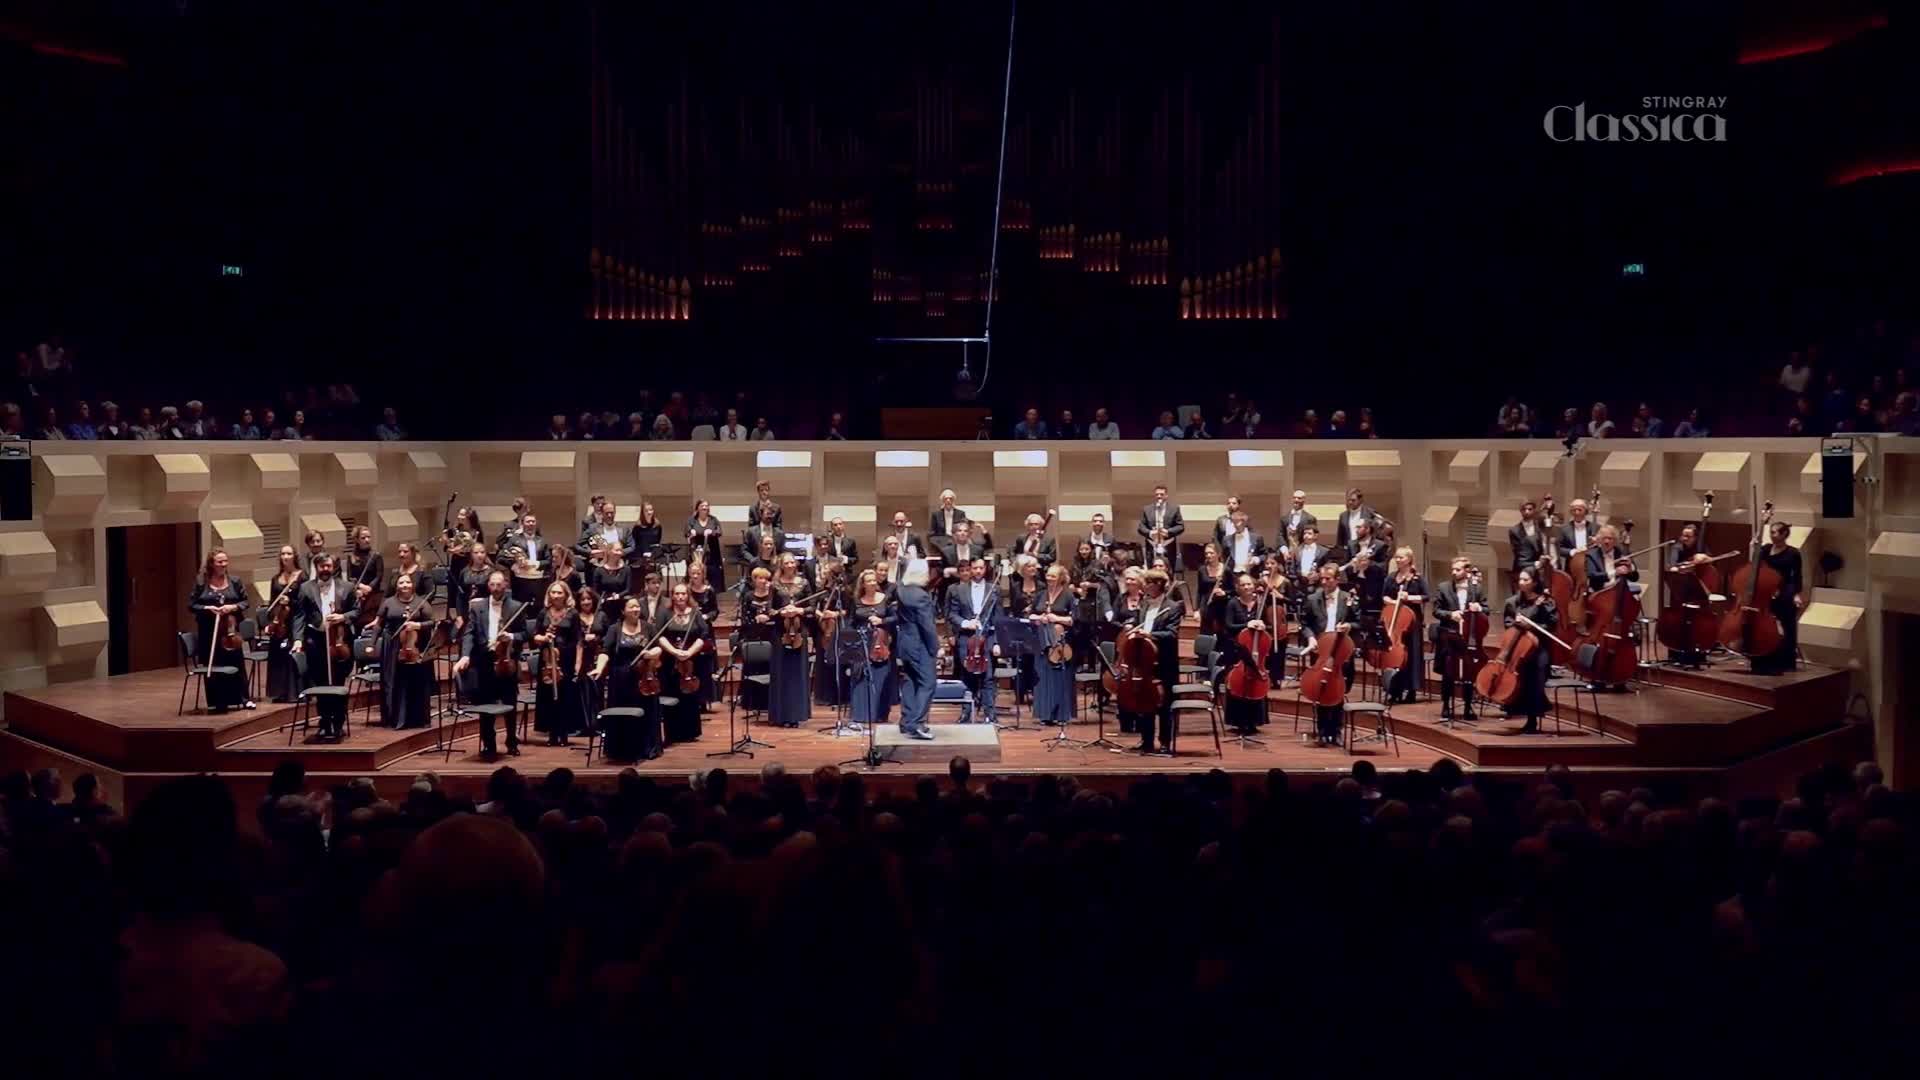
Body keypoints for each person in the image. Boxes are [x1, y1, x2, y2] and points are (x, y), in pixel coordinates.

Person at [454, 569, 527, 758]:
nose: (495, 588)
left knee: (510, 705)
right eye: (492, 584)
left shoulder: (516, 607)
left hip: (506, 662)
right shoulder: (478, 608)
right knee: (486, 707)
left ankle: (512, 741)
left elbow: (525, 634)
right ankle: (489, 745)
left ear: (505, 585)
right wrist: (465, 655)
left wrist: (510, 636)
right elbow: (469, 633)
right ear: (488, 586)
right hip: (484, 663)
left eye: (499, 584)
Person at [290, 553, 352, 740]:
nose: (325, 569)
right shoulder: (306, 588)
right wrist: (298, 639)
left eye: (328, 566)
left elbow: (356, 611)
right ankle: (324, 723)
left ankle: (339, 723)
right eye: (322, 566)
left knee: (339, 682)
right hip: (316, 641)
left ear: (334, 567)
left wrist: (343, 617)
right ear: (316, 567)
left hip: (340, 641)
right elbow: (299, 616)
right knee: (321, 683)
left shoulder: (347, 587)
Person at [1120, 568, 1183, 752]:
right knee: (1144, 700)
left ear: (1158, 585)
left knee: (1165, 703)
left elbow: (1171, 634)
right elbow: (1138, 622)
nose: (1144, 586)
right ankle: (1146, 740)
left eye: (1148, 583)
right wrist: (1131, 626)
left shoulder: (1173, 606)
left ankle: (1165, 742)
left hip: (1163, 660)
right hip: (1143, 660)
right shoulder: (1145, 604)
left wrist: (1150, 634)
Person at [596, 596, 662, 760]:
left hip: (645, 677)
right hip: (621, 679)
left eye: (637, 607)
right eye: (631, 607)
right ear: (623, 611)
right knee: (623, 713)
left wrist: (650, 653)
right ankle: (622, 749)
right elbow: (605, 651)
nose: (636, 609)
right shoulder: (614, 629)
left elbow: (658, 649)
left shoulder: (649, 627)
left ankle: (647, 748)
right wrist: (599, 667)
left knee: (647, 711)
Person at [187, 550, 252, 713]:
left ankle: (243, 698)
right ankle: (217, 701)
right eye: (219, 562)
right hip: (208, 632)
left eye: (225, 561)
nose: (223, 565)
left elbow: (245, 602)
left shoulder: (235, 581)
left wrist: (232, 607)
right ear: (211, 564)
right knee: (214, 664)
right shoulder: (202, 582)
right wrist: (207, 608)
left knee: (236, 662)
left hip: (230, 630)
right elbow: (192, 605)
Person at [1299, 564, 1356, 746]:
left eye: (1328, 579)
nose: (1324, 582)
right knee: (1321, 690)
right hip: (1320, 650)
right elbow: (1304, 623)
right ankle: (1323, 730)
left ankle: (1337, 730)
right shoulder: (1312, 599)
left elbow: (1359, 621)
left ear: (1337, 579)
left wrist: (1349, 627)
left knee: (1339, 690)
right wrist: (1310, 638)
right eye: (1322, 579)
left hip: (1341, 651)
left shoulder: (1348, 598)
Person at [1430, 558, 1488, 720]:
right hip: (1449, 635)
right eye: (1453, 569)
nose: (1454, 572)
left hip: (1469, 636)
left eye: (1458, 569)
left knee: (1469, 673)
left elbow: (1487, 609)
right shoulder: (1443, 587)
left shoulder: (1476, 589)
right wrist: (1450, 614)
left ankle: (1468, 707)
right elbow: (1436, 611)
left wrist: (1479, 608)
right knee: (1448, 672)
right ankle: (1446, 706)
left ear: (1467, 571)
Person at [1500, 567, 1556, 733]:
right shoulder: (1512, 602)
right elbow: (1508, 623)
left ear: (1535, 582)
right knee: (1521, 679)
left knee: (1536, 677)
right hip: (1518, 648)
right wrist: (1517, 624)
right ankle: (1516, 710)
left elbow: (1551, 625)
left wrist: (1533, 627)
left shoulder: (1546, 602)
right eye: (1520, 580)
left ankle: (1533, 719)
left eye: (1526, 580)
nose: (1521, 583)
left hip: (1539, 648)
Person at [529, 580, 584, 746]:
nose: (556, 595)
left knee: (564, 696)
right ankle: (552, 733)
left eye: (559, 592)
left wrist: (577, 663)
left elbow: (579, 640)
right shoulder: (543, 613)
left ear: (566, 595)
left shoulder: (572, 614)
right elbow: (534, 637)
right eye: (553, 592)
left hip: (565, 659)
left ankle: (564, 733)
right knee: (548, 697)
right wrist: (544, 638)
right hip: (547, 660)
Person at [1221, 572, 1277, 735]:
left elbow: (1269, 625)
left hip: (1257, 651)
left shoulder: (1261, 603)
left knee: (1256, 682)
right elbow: (1229, 626)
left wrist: (1263, 626)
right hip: (1237, 649)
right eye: (1243, 585)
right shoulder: (1232, 603)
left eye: (1249, 584)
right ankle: (1239, 721)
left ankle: (1254, 720)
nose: (1247, 587)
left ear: (1254, 586)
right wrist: (1247, 624)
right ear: (1238, 588)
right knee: (1238, 683)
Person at [946, 556, 1000, 724]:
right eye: (975, 568)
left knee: (988, 678)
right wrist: (965, 623)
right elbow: (951, 614)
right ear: (970, 569)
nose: (978, 571)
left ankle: (990, 715)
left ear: (985, 570)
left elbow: (998, 618)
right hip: (966, 638)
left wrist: (997, 642)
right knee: (967, 676)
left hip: (987, 638)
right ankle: (966, 713)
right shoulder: (958, 590)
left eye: (981, 568)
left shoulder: (994, 589)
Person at [377, 573, 434, 729]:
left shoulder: (421, 602)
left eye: (407, 582)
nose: (405, 585)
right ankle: (395, 718)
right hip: (393, 646)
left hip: (414, 645)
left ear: (412, 585)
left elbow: (432, 622)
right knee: (394, 682)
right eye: (401, 582)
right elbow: (378, 624)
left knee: (415, 681)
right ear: (396, 585)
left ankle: (417, 719)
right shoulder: (388, 602)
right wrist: (372, 643)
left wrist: (418, 626)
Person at [1749, 518, 1805, 675]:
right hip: (1766, 592)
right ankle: (1762, 658)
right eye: (1770, 532)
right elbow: (1755, 564)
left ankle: (1783, 662)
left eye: (1774, 532)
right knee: (1764, 626)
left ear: (1784, 534)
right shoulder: (1766, 549)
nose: (1771, 536)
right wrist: (1754, 543)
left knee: (1785, 627)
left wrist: (1796, 594)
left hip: (1784, 592)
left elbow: (1798, 576)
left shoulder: (1793, 553)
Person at [656, 582, 710, 743]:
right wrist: (675, 652)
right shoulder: (665, 612)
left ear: (688, 596)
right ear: (672, 596)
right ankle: (673, 733)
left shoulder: (695, 613)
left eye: (683, 594)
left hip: (691, 662)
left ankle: (690, 732)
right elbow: (660, 635)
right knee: (672, 694)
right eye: (677, 594)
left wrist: (688, 652)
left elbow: (703, 634)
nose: (680, 597)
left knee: (689, 696)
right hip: (670, 661)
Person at [893, 552, 939, 739]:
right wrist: (935, 647)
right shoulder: (921, 596)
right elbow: (926, 626)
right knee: (928, 683)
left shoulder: (902, 590)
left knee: (911, 681)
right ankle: (917, 723)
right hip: (919, 644)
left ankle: (906, 721)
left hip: (904, 643)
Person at [1027, 564, 1078, 728]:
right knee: (1043, 677)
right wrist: (1039, 617)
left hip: (1060, 642)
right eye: (1048, 575)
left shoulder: (1068, 595)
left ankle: (1061, 713)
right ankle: (1045, 714)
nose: (1049, 578)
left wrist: (1056, 618)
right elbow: (1031, 614)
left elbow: (1073, 619)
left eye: (1053, 576)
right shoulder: (1041, 594)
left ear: (1061, 578)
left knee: (1059, 677)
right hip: (1042, 641)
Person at [849, 570, 899, 727]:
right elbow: (851, 621)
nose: (871, 583)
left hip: (881, 643)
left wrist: (881, 620)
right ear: (862, 584)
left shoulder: (885, 599)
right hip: (863, 643)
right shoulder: (857, 600)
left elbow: (896, 618)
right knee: (861, 678)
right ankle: (861, 714)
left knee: (881, 678)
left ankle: (879, 713)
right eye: (868, 581)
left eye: (873, 580)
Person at [1382, 547, 1427, 704]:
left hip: (1412, 621)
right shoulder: (1391, 577)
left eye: (1401, 557)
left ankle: (1411, 690)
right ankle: (1395, 689)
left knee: (1412, 655)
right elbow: (1384, 596)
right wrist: (1394, 602)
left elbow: (1425, 597)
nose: (1398, 560)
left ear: (1409, 559)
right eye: (1397, 557)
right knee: (1397, 656)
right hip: (1396, 622)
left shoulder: (1417, 579)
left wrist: (1409, 597)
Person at [262, 545, 305, 703]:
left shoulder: (301, 576)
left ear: (295, 556)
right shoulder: (275, 578)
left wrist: (290, 601)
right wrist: (271, 622)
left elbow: (304, 601)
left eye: (289, 553)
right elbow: (272, 603)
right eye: (283, 554)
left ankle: (294, 692)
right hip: (279, 621)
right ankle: (279, 692)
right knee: (278, 655)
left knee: (291, 655)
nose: (285, 557)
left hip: (294, 620)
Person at [1138, 484, 1185, 571]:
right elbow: (1141, 527)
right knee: (1151, 573)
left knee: (1169, 570)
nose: (1159, 496)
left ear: (1166, 496)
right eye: (1157, 494)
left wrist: (1168, 532)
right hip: (1152, 546)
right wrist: (1150, 533)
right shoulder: (1147, 509)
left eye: (1161, 494)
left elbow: (1180, 526)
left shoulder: (1174, 509)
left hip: (1168, 544)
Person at [686, 499, 726, 590]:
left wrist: (711, 532)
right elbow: (686, 532)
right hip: (696, 554)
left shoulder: (713, 520)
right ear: (697, 508)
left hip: (712, 554)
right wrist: (691, 532)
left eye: (706, 506)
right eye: (702, 506)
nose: (705, 507)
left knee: (712, 577)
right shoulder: (692, 520)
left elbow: (719, 532)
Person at [1507, 499, 1547, 575]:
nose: (1527, 512)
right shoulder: (1514, 531)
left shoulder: (1540, 526)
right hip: (1524, 569)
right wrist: (1535, 563)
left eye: (1530, 509)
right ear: (1520, 511)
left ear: (1534, 510)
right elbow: (1519, 554)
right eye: (1524, 509)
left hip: (1541, 568)